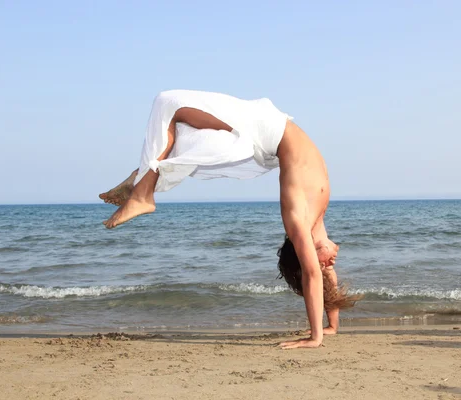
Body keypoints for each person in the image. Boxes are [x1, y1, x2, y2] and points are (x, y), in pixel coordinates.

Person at [99, 90, 360, 349]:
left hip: (262, 126)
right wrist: (331, 326)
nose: (331, 265)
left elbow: (313, 274)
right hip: (265, 127)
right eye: (328, 265)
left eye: (325, 265)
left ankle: (142, 189)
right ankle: (140, 182)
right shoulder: (315, 221)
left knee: (168, 105)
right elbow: (320, 276)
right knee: (179, 126)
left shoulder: (297, 219)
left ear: (308, 256)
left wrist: (316, 336)